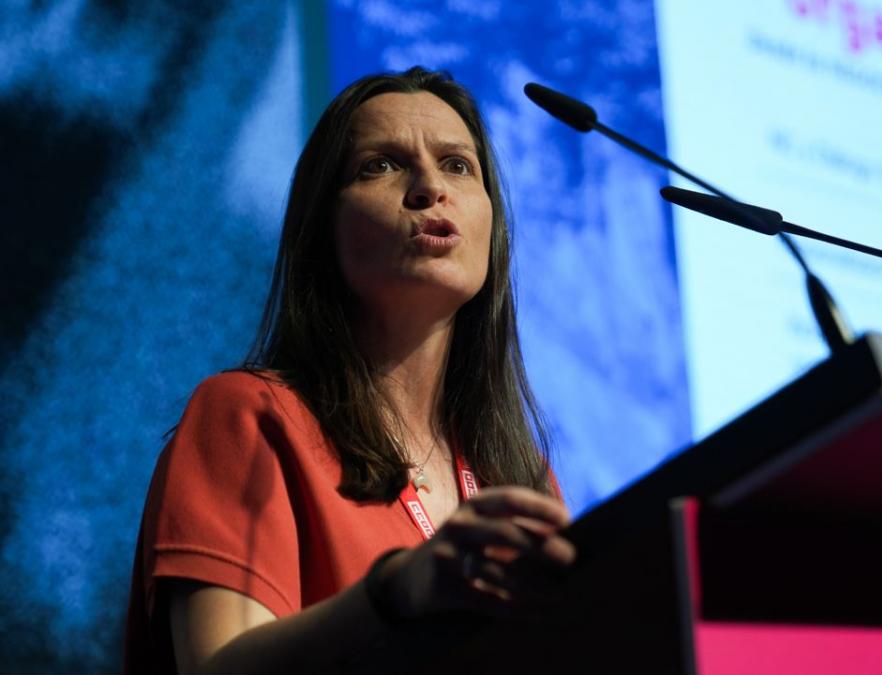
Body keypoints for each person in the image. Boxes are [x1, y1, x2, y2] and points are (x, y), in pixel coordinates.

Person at [124, 67, 576, 675]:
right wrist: (394, 591)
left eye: (457, 166)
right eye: (380, 165)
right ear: (323, 229)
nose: (430, 188)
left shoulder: (519, 474)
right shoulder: (249, 418)